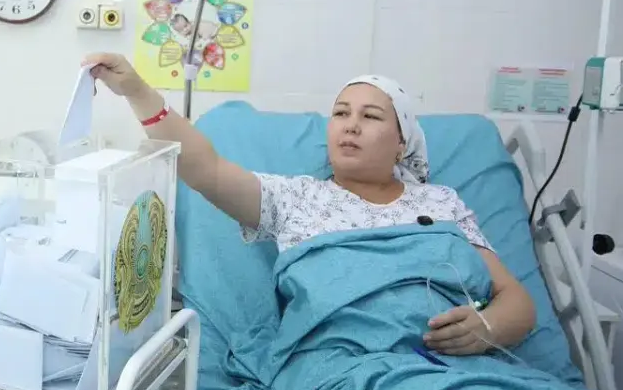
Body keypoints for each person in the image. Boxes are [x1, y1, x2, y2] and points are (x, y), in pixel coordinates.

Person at [82, 52, 536, 354]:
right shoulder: (297, 198)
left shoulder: (440, 202)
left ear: (402, 143)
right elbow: (206, 170)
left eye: (370, 116)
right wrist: (137, 91)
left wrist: (488, 328)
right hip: (345, 371)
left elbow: (515, 301)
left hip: (449, 367)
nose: (350, 125)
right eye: (340, 113)